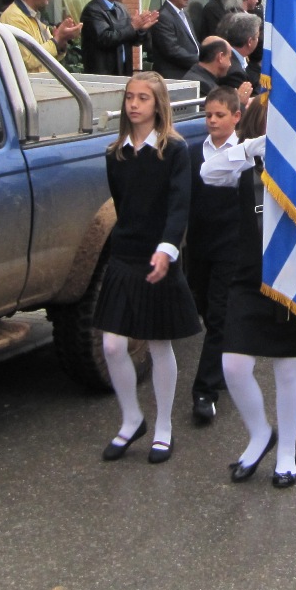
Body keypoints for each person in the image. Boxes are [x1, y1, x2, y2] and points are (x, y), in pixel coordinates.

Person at [200, 96, 296, 489]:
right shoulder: (248, 160)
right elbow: (208, 172)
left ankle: (287, 452)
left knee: (287, 368)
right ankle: (260, 432)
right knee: (234, 365)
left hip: (291, 274)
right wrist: (250, 149)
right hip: (249, 275)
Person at [94, 71, 198, 464]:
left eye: (142, 98)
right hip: (125, 254)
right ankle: (131, 418)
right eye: (129, 98)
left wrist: (166, 250)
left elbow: (178, 206)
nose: (134, 104)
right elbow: (123, 205)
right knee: (112, 344)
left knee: (159, 343)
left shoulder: (173, 151)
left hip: (160, 255)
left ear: (158, 105)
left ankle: (164, 425)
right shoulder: (114, 153)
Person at [186, 86, 243, 426]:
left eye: (220, 115)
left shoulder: (245, 153)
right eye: (208, 115)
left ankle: (204, 391)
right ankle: (220, 362)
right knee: (205, 308)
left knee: (220, 313)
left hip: (231, 246)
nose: (212, 121)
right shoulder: (195, 153)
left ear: (236, 117)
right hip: (200, 245)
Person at [0, 0, 81, 72]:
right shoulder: (14, 18)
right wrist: (57, 39)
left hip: (40, 84)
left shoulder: (35, 15)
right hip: (28, 86)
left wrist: (62, 40)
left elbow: (50, 55)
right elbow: (27, 61)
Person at [81, 0, 159, 76]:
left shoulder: (121, 8)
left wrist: (141, 30)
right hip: (103, 75)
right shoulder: (92, 10)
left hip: (124, 72)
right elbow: (105, 38)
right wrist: (133, 26)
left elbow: (132, 40)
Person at [150, 0, 202, 79]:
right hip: (174, 76)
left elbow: (193, 42)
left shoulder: (185, 14)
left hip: (190, 73)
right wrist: (201, 61)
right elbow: (172, 50)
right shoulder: (163, 16)